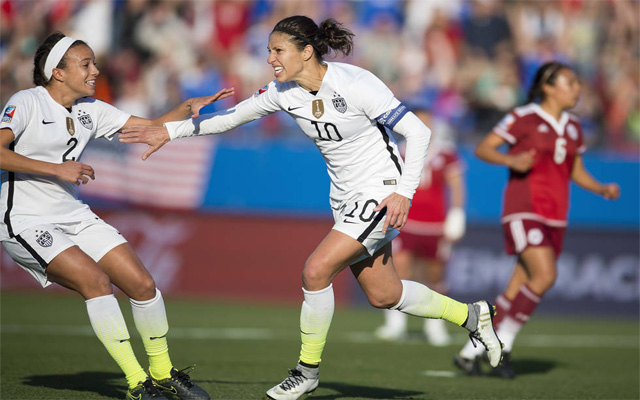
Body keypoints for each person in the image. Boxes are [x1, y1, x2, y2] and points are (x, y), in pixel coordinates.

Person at [119, 16, 502, 400]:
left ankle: (306, 372)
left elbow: (419, 132)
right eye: (268, 50)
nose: (270, 58)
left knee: (316, 271)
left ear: (306, 52)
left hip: (381, 194)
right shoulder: (282, 92)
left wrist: (404, 192)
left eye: (278, 50)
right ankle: (471, 315)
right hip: (345, 200)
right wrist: (168, 131)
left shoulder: (356, 83)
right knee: (385, 294)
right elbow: (230, 120)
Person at [0, 32, 233, 400]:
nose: (95, 70)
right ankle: (137, 383)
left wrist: (187, 106)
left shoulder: (90, 109)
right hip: (25, 220)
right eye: (85, 64)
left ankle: (162, 372)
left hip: (73, 214)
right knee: (95, 282)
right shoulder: (27, 102)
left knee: (143, 285)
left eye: (94, 63)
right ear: (57, 73)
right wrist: (56, 169)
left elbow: (149, 128)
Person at [453, 61, 620, 378]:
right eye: (570, 82)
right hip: (525, 207)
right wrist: (510, 159)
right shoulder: (524, 117)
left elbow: (575, 170)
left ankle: (469, 352)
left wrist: (601, 188)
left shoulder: (574, 126)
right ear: (548, 87)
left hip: (556, 215)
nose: (577, 89)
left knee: (516, 288)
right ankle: (501, 347)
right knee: (545, 275)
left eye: (577, 83)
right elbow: (484, 148)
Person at [374, 105, 466, 346]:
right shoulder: (399, 150)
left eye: (427, 122)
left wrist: (457, 213)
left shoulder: (446, 153)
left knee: (434, 274)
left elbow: (456, 185)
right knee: (401, 269)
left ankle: (435, 325)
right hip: (407, 221)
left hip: (436, 224)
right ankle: (395, 324)